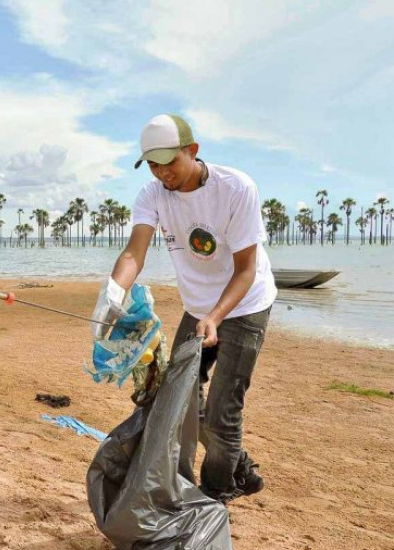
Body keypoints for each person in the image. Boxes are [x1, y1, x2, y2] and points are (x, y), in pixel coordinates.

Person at [92, 113, 277, 503]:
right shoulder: (152, 195)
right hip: (198, 308)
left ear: (192, 151)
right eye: (153, 165)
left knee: (223, 410)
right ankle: (222, 472)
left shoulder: (236, 188)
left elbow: (246, 270)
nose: (162, 174)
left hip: (245, 305)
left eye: (169, 162)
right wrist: (112, 295)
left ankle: (215, 497)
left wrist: (215, 317)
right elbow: (133, 252)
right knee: (177, 399)